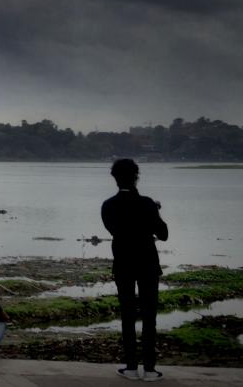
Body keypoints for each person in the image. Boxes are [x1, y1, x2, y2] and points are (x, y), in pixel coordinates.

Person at [102, 158, 169, 382]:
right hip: (148, 264)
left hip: (123, 264)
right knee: (150, 316)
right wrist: (155, 213)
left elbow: (117, 230)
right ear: (137, 176)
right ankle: (150, 369)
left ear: (114, 178)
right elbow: (164, 234)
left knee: (128, 315)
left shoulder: (108, 205)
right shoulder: (148, 204)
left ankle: (131, 367)